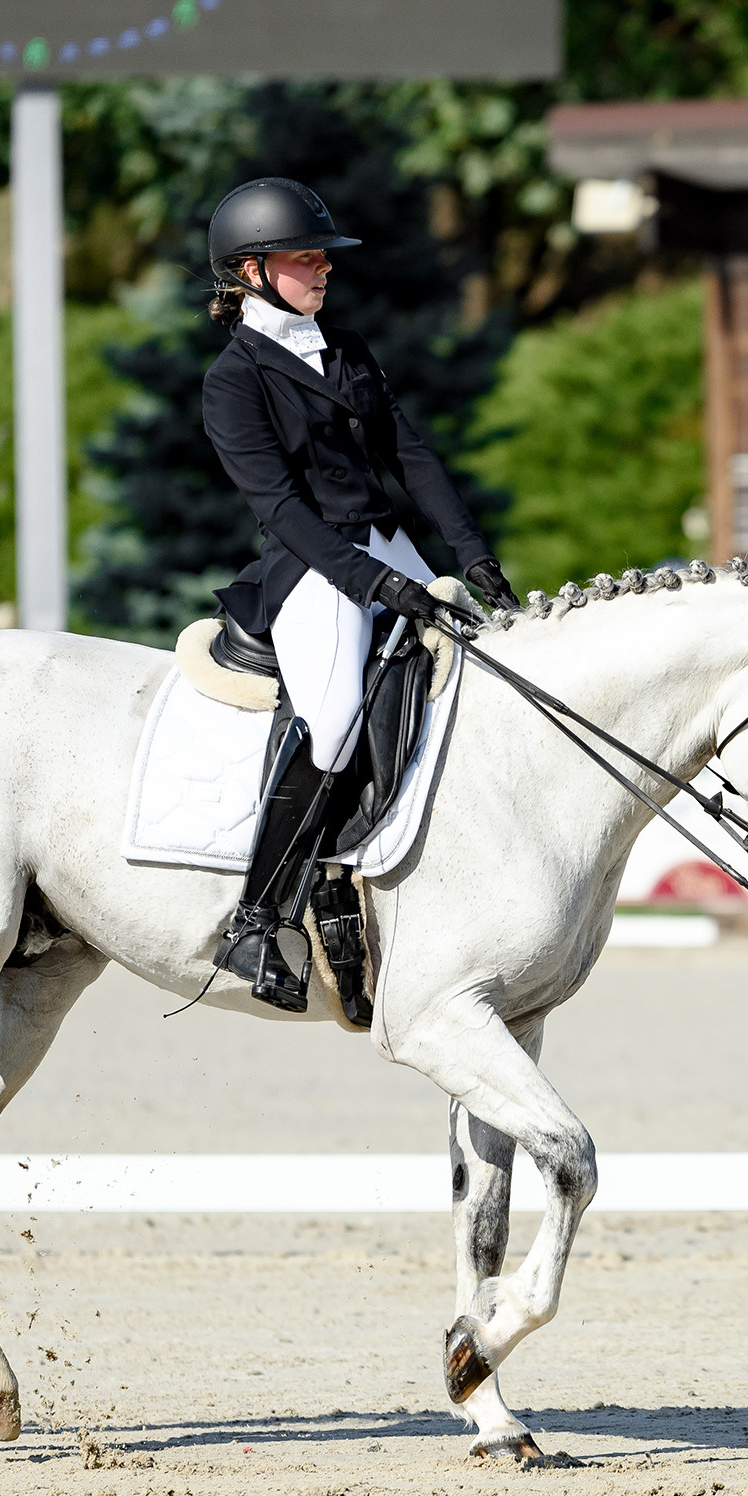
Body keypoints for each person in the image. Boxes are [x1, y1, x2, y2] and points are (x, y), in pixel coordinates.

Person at [198, 177, 519, 1015]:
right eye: (306, 257)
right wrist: (372, 583)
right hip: (314, 569)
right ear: (251, 270)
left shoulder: (346, 349)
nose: (324, 270)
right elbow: (280, 509)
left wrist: (472, 556)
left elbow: (410, 457)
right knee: (335, 718)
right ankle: (260, 915)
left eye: (324, 257)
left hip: (389, 547)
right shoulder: (233, 382)